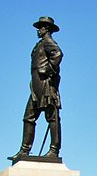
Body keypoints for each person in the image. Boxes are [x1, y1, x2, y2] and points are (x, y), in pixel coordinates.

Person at [8, 16, 64, 160]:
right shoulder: (40, 44)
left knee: (52, 117)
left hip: (46, 85)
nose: (38, 30)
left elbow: (58, 54)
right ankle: (24, 150)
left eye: (40, 28)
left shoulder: (48, 42)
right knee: (29, 117)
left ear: (47, 29)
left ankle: (54, 150)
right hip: (36, 86)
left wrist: (49, 69)